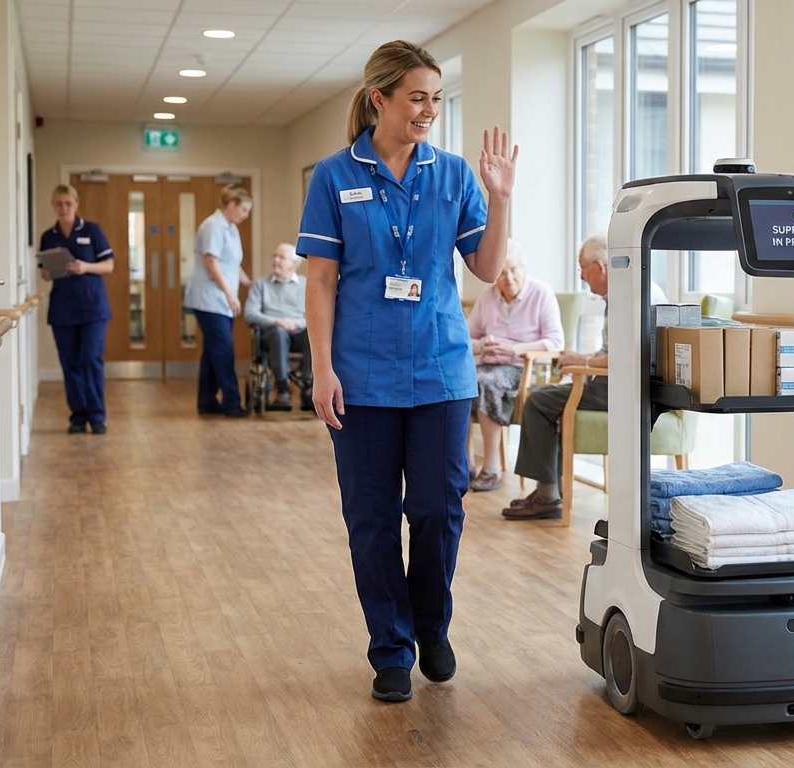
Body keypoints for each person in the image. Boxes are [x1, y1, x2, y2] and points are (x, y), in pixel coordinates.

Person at [297, 39, 518, 704]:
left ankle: (432, 625)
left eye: (436, 99)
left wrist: (499, 197)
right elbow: (322, 281)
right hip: (360, 377)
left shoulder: (451, 174)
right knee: (370, 517)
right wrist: (321, 370)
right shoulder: (335, 175)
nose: (428, 110)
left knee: (437, 509)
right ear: (380, 100)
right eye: (416, 97)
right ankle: (390, 647)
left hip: (441, 373)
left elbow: (483, 267)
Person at [504, 235, 615, 520]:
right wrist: (582, 358)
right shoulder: (620, 296)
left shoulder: (626, 300)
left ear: (601, 267)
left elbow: (624, 359)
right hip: (612, 382)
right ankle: (548, 492)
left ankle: (547, 496)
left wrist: (584, 360)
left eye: (583, 268)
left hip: (617, 389)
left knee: (539, 401)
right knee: (547, 399)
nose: (581, 275)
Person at [466, 239, 564, 492]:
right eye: (501, 272)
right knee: (460, 383)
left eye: (513, 270)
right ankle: (464, 464)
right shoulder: (487, 298)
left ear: (524, 268)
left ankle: (491, 468)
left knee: (487, 382)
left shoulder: (541, 293)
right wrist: (482, 345)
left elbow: (555, 343)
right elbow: (466, 337)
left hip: (526, 369)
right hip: (488, 365)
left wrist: (513, 349)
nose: (508, 278)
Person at [39, 184, 114, 435]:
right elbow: (45, 273)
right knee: (70, 363)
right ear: (53, 206)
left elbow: (109, 265)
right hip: (63, 309)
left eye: (68, 203)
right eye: (59, 204)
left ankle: (97, 416)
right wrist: (49, 272)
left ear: (76, 204)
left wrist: (85, 266)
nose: (64, 208)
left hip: (92, 308)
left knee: (90, 360)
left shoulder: (92, 230)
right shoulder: (48, 236)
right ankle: (78, 417)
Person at [185, 185, 253, 417]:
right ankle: (232, 403)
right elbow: (211, 263)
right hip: (210, 301)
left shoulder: (231, 228)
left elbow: (232, 264)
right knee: (223, 351)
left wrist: (251, 285)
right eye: (243, 210)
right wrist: (230, 295)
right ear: (231, 205)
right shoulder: (213, 226)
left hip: (221, 302)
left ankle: (206, 401)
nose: (246, 215)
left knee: (212, 352)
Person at [245, 244, 312, 411]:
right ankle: (282, 389)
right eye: (274, 256)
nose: (275, 260)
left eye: (281, 257)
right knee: (279, 333)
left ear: (294, 264)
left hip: (300, 331)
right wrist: (277, 321)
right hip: (272, 334)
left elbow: (316, 314)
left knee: (314, 334)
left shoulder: (306, 284)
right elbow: (250, 314)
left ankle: (309, 386)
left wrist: (297, 323)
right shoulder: (261, 285)